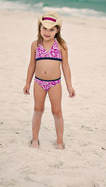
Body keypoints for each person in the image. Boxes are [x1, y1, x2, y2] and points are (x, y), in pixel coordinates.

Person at [23, 11, 75, 150]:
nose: (47, 32)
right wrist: (27, 83)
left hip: (55, 83)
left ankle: (59, 142)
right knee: (38, 110)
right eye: (44, 28)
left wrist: (69, 86)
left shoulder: (61, 46)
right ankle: (35, 139)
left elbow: (65, 66)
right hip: (38, 82)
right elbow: (32, 64)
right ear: (39, 28)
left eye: (51, 29)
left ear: (57, 30)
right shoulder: (35, 45)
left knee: (57, 111)